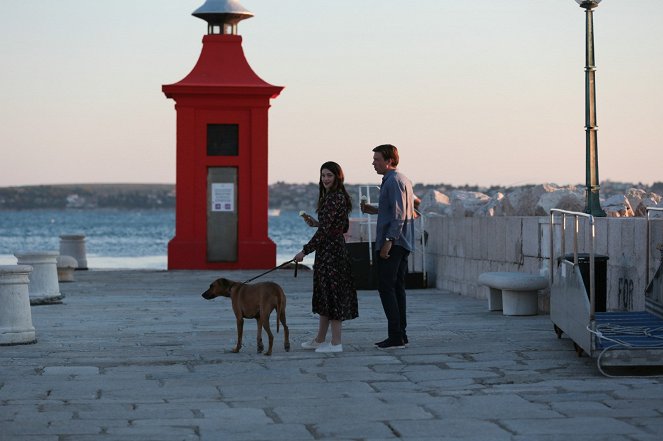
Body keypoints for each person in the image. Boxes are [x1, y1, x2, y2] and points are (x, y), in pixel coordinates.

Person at [294, 161, 358, 353]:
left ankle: (336, 343)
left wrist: (304, 251)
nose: (325, 179)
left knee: (332, 295)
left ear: (337, 177)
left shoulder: (334, 198)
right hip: (330, 250)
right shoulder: (337, 197)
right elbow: (341, 227)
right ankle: (320, 339)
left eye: (329, 175)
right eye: (323, 175)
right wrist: (317, 223)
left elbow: (326, 232)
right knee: (324, 294)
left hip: (332, 253)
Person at [360, 144, 415, 349]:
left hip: (395, 242)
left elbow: (398, 215)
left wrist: (388, 242)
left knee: (386, 288)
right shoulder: (401, 180)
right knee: (397, 288)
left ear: (389, 161)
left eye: (377, 159)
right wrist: (372, 209)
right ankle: (401, 334)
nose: (373, 163)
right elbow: (393, 209)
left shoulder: (393, 181)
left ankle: (395, 335)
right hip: (402, 242)